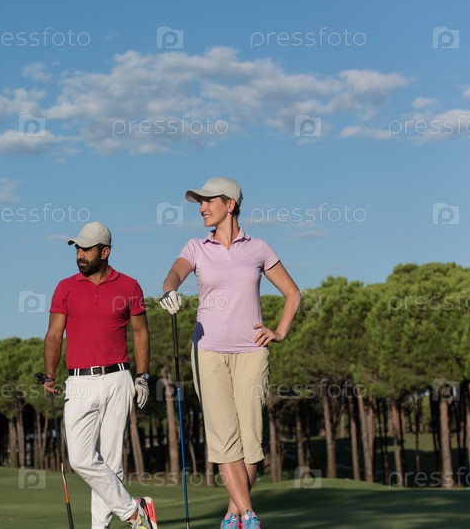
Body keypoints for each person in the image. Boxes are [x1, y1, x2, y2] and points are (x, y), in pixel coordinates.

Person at [159, 177, 300, 529]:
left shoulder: (259, 248)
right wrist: (169, 290)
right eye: (200, 202)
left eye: (208, 201)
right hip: (207, 352)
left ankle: (231, 515)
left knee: (250, 441)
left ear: (230, 204)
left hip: (252, 353)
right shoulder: (196, 247)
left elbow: (293, 293)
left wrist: (279, 332)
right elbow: (174, 274)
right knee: (224, 438)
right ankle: (249, 516)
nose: (202, 208)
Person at [43, 221, 158, 529]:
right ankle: (134, 512)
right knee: (81, 460)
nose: (80, 255)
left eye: (86, 249)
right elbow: (54, 335)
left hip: (118, 378)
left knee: (111, 462)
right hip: (79, 381)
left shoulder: (129, 286)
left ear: (105, 252)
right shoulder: (65, 287)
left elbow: (141, 333)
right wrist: (50, 374)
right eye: (77, 249)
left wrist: (143, 377)